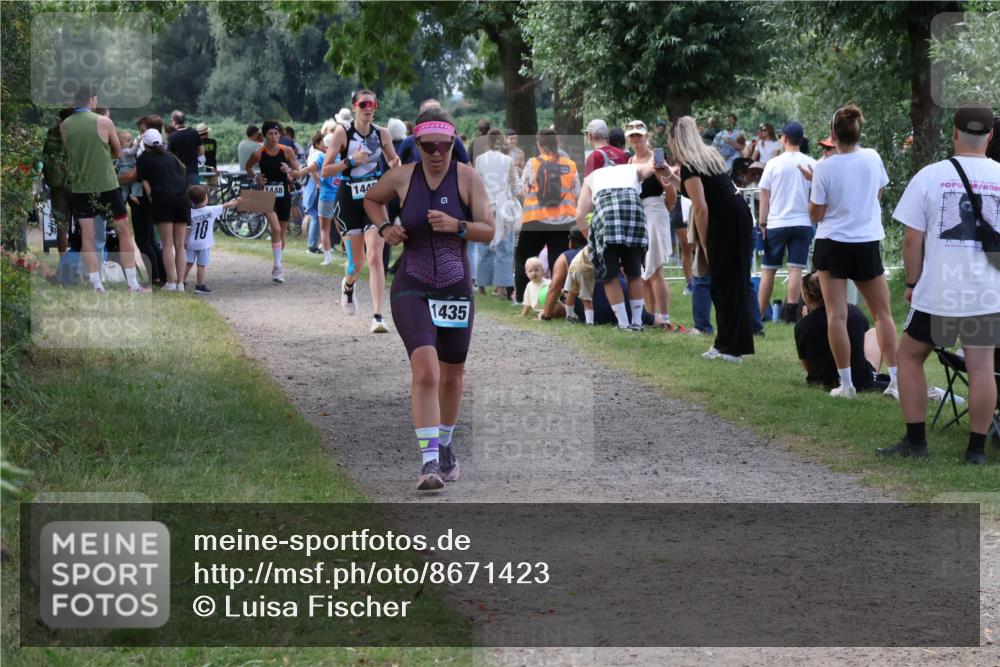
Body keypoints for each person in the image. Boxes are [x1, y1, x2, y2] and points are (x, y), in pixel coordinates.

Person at [362, 106, 495, 490]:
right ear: (416, 145)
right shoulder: (403, 177)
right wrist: (385, 226)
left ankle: (447, 446)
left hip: (455, 286)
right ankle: (429, 462)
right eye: (428, 146)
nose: (436, 153)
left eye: (444, 145)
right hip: (412, 284)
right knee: (426, 370)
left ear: (454, 143)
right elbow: (371, 200)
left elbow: (490, 230)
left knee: (452, 376)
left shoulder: (468, 179)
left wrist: (459, 226)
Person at [877, 103, 998, 464]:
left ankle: (916, 442)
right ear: (990, 136)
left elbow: (912, 240)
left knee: (910, 357)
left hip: (940, 293)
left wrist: (912, 281)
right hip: (986, 293)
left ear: (955, 133)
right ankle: (976, 450)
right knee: (981, 367)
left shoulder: (930, 176)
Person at [802, 105, 898, 399]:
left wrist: (815, 185)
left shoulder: (824, 168)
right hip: (866, 241)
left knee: (836, 315)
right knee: (883, 314)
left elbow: (816, 214)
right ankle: (896, 381)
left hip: (832, 243)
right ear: (858, 131)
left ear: (833, 135)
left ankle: (846, 384)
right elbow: (877, 192)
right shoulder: (872, 157)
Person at [668, 116, 755, 362]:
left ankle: (734, 348)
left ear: (676, 139)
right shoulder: (705, 157)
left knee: (728, 283)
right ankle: (723, 342)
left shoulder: (691, 163)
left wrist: (704, 243)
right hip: (734, 215)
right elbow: (690, 189)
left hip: (726, 220)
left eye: (670, 138)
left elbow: (701, 207)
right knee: (720, 283)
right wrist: (668, 175)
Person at [322, 90, 401, 332]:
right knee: (356, 264)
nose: (369, 108)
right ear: (354, 106)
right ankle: (348, 285)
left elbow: (393, 161)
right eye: (364, 104)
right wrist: (350, 161)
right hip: (348, 200)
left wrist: (395, 166)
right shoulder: (342, 133)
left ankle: (377, 316)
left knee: (376, 256)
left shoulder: (382, 134)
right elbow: (325, 170)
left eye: (373, 104)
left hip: (374, 199)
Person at [60, 88, 146, 293]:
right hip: (107, 184)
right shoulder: (104, 122)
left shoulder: (64, 125)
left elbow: (70, 152)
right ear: (91, 99)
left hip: (81, 187)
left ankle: (96, 284)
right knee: (124, 231)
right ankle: (133, 283)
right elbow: (118, 153)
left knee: (87, 237)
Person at [576, 162, 664, 331]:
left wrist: (591, 239)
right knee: (634, 273)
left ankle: (623, 324)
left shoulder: (591, 177)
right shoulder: (631, 168)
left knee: (610, 276)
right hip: (633, 213)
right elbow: (649, 168)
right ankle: (637, 323)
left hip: (607, 217)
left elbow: (580, 214)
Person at [757, 121, 816, 322]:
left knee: (768, 271)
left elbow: (764, 194)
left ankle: (758, 314)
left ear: (783, 138)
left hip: (776, 223)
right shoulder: (811, 162)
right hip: (802, 222)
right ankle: (790, 314)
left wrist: (762, 222)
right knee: (796, 269)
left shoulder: (774, 163)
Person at [516, 129, 580, 302]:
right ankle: (560, 299)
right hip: (565, 220)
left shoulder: (533, 163)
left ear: (539, 144)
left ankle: (523, 298)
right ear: (557, 143)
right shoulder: (570, 164)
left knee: (524, 257)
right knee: (558, 261)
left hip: (536, 218)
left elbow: (522, 189)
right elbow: (577, 191)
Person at [795, 272, 876, 390]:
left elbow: (808, 366)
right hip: (859, 378)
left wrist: (807, 322)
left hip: (824, 380)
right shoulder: (854, 311)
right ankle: (869, 374)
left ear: (807, 297)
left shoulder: (803, 325)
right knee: (873, 333)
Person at [627, 120, 673, 326]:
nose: (636, 139)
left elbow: (669, 188)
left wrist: (666, 208)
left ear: (646, 136)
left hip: (654, 208)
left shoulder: (657, 158)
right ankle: (650, 314)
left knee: (655, 268)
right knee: (643, 269)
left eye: (639, 135)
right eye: (633, 136)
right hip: (638, 211)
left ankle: (664, 316)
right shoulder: (630, 161)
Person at [245, 119, 303, 284]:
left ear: (280, 135)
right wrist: (256, 177)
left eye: (276, 133)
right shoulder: (259, 153)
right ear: (264, 135)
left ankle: (277, 264)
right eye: (270, 134)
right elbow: (248, 167)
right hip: (266, 195)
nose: (273, 137)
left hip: (284, 193)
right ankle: (278, 267)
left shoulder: (287, 151)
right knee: (275, 229)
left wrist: (290, 171)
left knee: (281, 232)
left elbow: (299, 173)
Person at [136, 128, 191, 291]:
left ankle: (171, 282)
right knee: (180, 245)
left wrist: (153, 198)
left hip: (163, 200)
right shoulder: (170, 157)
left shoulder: (143, 158)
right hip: (182, 199)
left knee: (167, 245)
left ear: (144, 145)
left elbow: (145, 183)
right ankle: (181, 283)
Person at [474, 128, 519, 296]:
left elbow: (477, 183)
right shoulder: (508, 160)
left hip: (485, 206)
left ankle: (482, 285)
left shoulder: (479, 160)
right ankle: (501, 287)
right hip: (503, 206)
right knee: (505, 247)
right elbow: (515, 184)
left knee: (484, 245)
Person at [183, 185, 241, 294]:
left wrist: (184, 241)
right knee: (201, 265)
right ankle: (200, 285)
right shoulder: (211, 210)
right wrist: (238, 201)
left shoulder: (190, 213)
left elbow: (188, 228)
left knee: (188, 263)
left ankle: (181, 282)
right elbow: (228, 205)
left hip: (191, 242)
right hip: (204, 244)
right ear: (206, 198)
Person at [396, 98, 470, 165]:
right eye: (427, 114)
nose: (433, 116)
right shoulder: (409, 141)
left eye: (444, 145)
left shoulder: (454, 139)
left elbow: (468, 167)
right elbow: (398, 167)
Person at [167, 110, 203, 185]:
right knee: (195, 195)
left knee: (181, 196)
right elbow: (201, 151)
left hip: (178, 173)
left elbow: (169, 155)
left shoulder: (172, 136)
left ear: (174, 121)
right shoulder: (194, 132)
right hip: (193, 171)